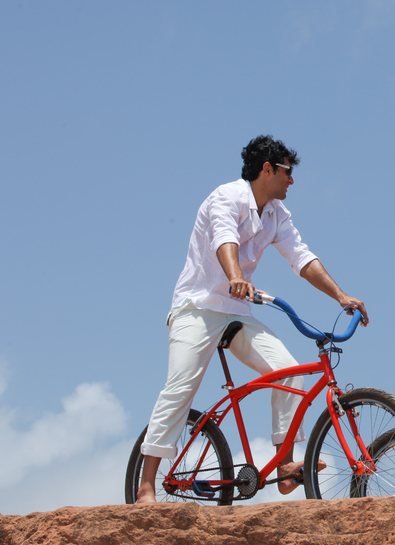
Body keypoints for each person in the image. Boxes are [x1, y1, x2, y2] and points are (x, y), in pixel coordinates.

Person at [135, 135, 368, 504]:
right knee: (181, 386)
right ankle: (147, 483)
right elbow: (224, 240)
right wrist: (235, 277)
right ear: (267, 169)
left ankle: (285, 467)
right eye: (287, 172)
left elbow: (301, 257)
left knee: (289, 371)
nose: (292, 181)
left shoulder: (276, 214)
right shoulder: (226, 197)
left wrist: (341, 296)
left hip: (237, 314)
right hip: (197, 307)